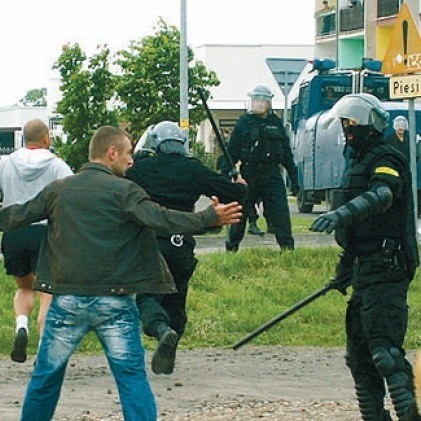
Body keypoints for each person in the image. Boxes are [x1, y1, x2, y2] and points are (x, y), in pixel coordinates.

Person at [0, 126, 242, 421]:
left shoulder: (59, 190)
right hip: (115, 302)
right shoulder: (125, 192)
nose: (131, 160)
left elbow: (16, 216)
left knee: (45, 378)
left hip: (67, 301)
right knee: (131, 379)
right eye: (128, 153)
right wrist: (208, 217)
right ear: (111, 152)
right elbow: (162, 219)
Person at [310, 93, 420, 421]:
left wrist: (342, 214)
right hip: (363, 268)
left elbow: (382, 194)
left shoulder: (387, 156)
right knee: (359, 357)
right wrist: (344, 271)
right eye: (343, 124)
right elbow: (359, 234)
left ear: (367, 123)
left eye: (350, 123)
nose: (346, 130)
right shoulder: (355, 161)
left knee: (384, 352)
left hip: (389, 265)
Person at [126, 121, 247, 375]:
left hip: (151, 242)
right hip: (182, 243)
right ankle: (173, 337)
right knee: (177, 297)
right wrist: (239, 184)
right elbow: (234, 194)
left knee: (147, 297)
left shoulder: (142, 169)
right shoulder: (193, 169)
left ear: (156, 142)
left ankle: (162, 331)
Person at [0, 119, 73, 363]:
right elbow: (71, 194)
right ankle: (44, 344)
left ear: (23, 138)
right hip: (44, 233)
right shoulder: (57, 165)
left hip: (14, 233)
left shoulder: (6, 163)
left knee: (24, 287)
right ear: (46, 139)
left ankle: (22, 326)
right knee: (47, 291)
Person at [224, 84, 300, 252]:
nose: (257, 103)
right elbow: (231, 153)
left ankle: (287, 250)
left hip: (272, 173)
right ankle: (231, 249)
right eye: (254, 99)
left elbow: (286, 154)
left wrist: (295, 179)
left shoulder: (277, 124)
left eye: (261, 100)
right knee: (239, 214)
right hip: (249, 173)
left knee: (280, 214)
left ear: (269, 102)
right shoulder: (244, 123)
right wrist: (226, 177)